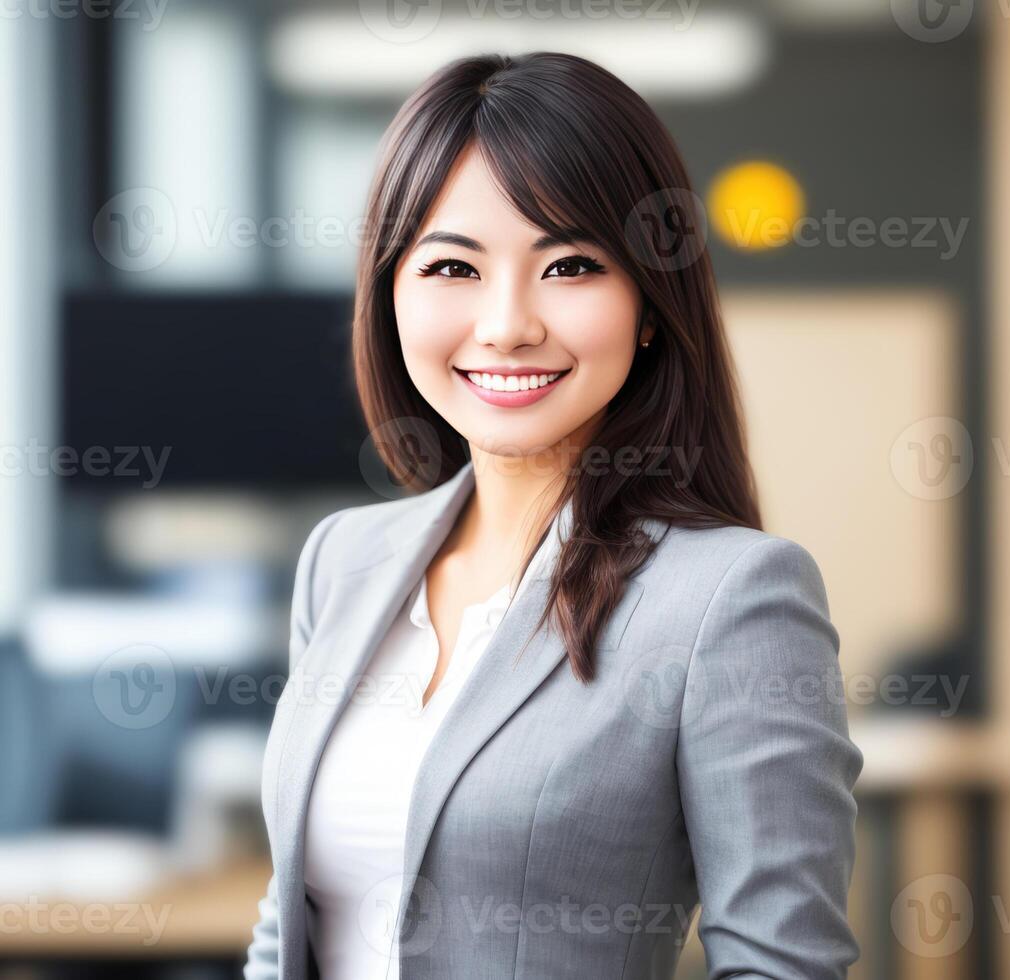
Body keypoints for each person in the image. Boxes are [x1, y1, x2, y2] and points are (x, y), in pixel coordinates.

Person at [244, 51, 863, 980]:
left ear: (650, 303)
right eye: (452, 265)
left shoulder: (729, 597)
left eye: (569, 265)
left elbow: (784, 965)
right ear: (389, 290)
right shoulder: (344, 560)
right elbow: (287, 923)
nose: (506, 325)